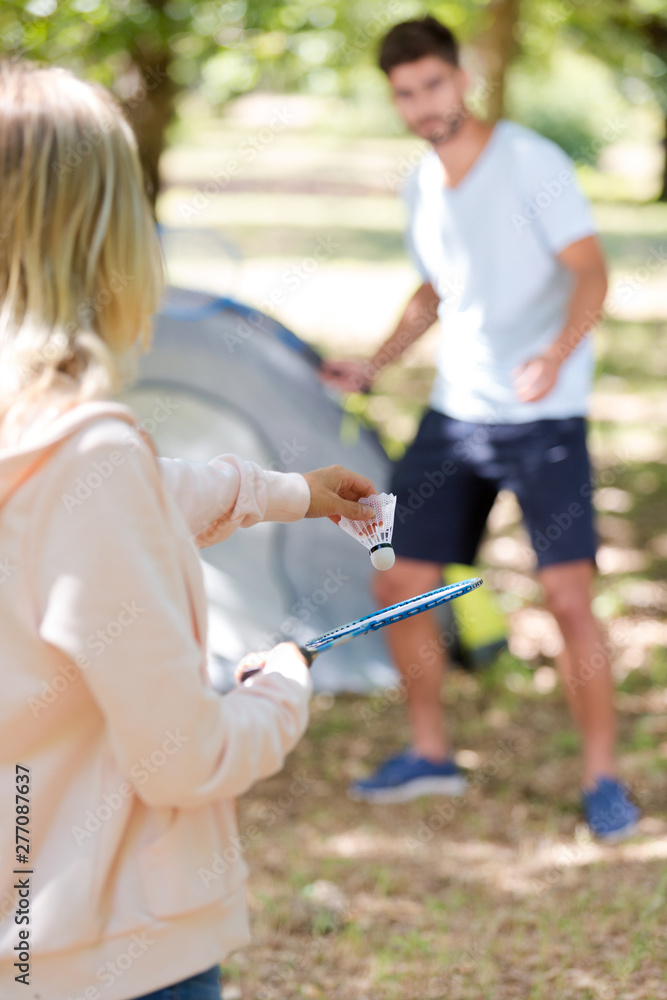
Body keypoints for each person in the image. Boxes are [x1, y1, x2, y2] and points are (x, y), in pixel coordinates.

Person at [0, 60, 378, 1000]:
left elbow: (140, 495)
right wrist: (281, 682)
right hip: (110, 951)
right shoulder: (86, 459)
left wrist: (291, 492)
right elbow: (185, 759)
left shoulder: (34, 442)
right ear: (104, 236)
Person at [321, 16, 640, 840]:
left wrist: (554, 354)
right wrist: (376, 364)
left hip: (544, 417)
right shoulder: (420, 184)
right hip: (457, 413)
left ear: (459, 78)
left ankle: (602, 779)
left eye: (432, 84)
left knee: (567, 597)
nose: (422, 105)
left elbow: (590, 271)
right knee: (395, 578)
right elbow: (434, 292)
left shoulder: (530, 161)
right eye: (404, 94)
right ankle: (430, 753)